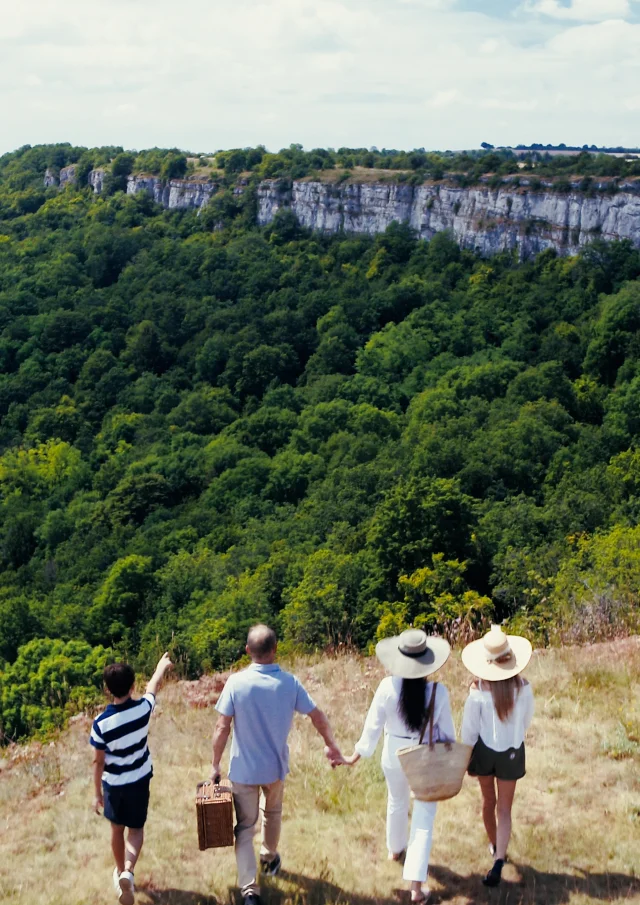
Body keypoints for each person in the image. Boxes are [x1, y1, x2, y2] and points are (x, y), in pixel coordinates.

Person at [211, 624, 342, 905]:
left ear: (247, 651)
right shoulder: (290, 683)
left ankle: (249, 891)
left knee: (245, 828)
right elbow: (317, 715)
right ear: (275, 649)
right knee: (273, 813)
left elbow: (222, 728)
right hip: (275, 767)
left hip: (243, 769)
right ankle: (269, 858)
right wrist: (331, 744)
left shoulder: (235, 683)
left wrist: (215, 765)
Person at [337, 629, 454, 905]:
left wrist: (356, 755)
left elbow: (372, 728)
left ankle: (395, 849)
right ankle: (416, 887)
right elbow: (448, 736)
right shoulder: (438, 692)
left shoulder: (386, 688)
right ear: (427, 661)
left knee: (396, 801)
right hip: (423, 755)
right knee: (424, 819)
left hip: (393, 753)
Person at [91, 652, 173, 905]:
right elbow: (153, 688)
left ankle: (120, 873)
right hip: (139, 781)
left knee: (117, 829)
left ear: (107, 690)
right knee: (136, 829)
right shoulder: (142, 710)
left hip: (114, 786)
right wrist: (161, 667)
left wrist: (97, 794)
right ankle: (128, 869)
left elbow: (98, 761)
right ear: (132, 686)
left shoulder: (101, 724)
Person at [460, 624, 534, 888]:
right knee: (505, 808)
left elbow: (468, 733)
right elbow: (526, 721)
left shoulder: (477, 691)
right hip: (512, 751)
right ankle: (500, 858)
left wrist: (462, 759)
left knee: (487, 801)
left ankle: (494, 846)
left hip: (484, 752)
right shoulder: (524, 688)